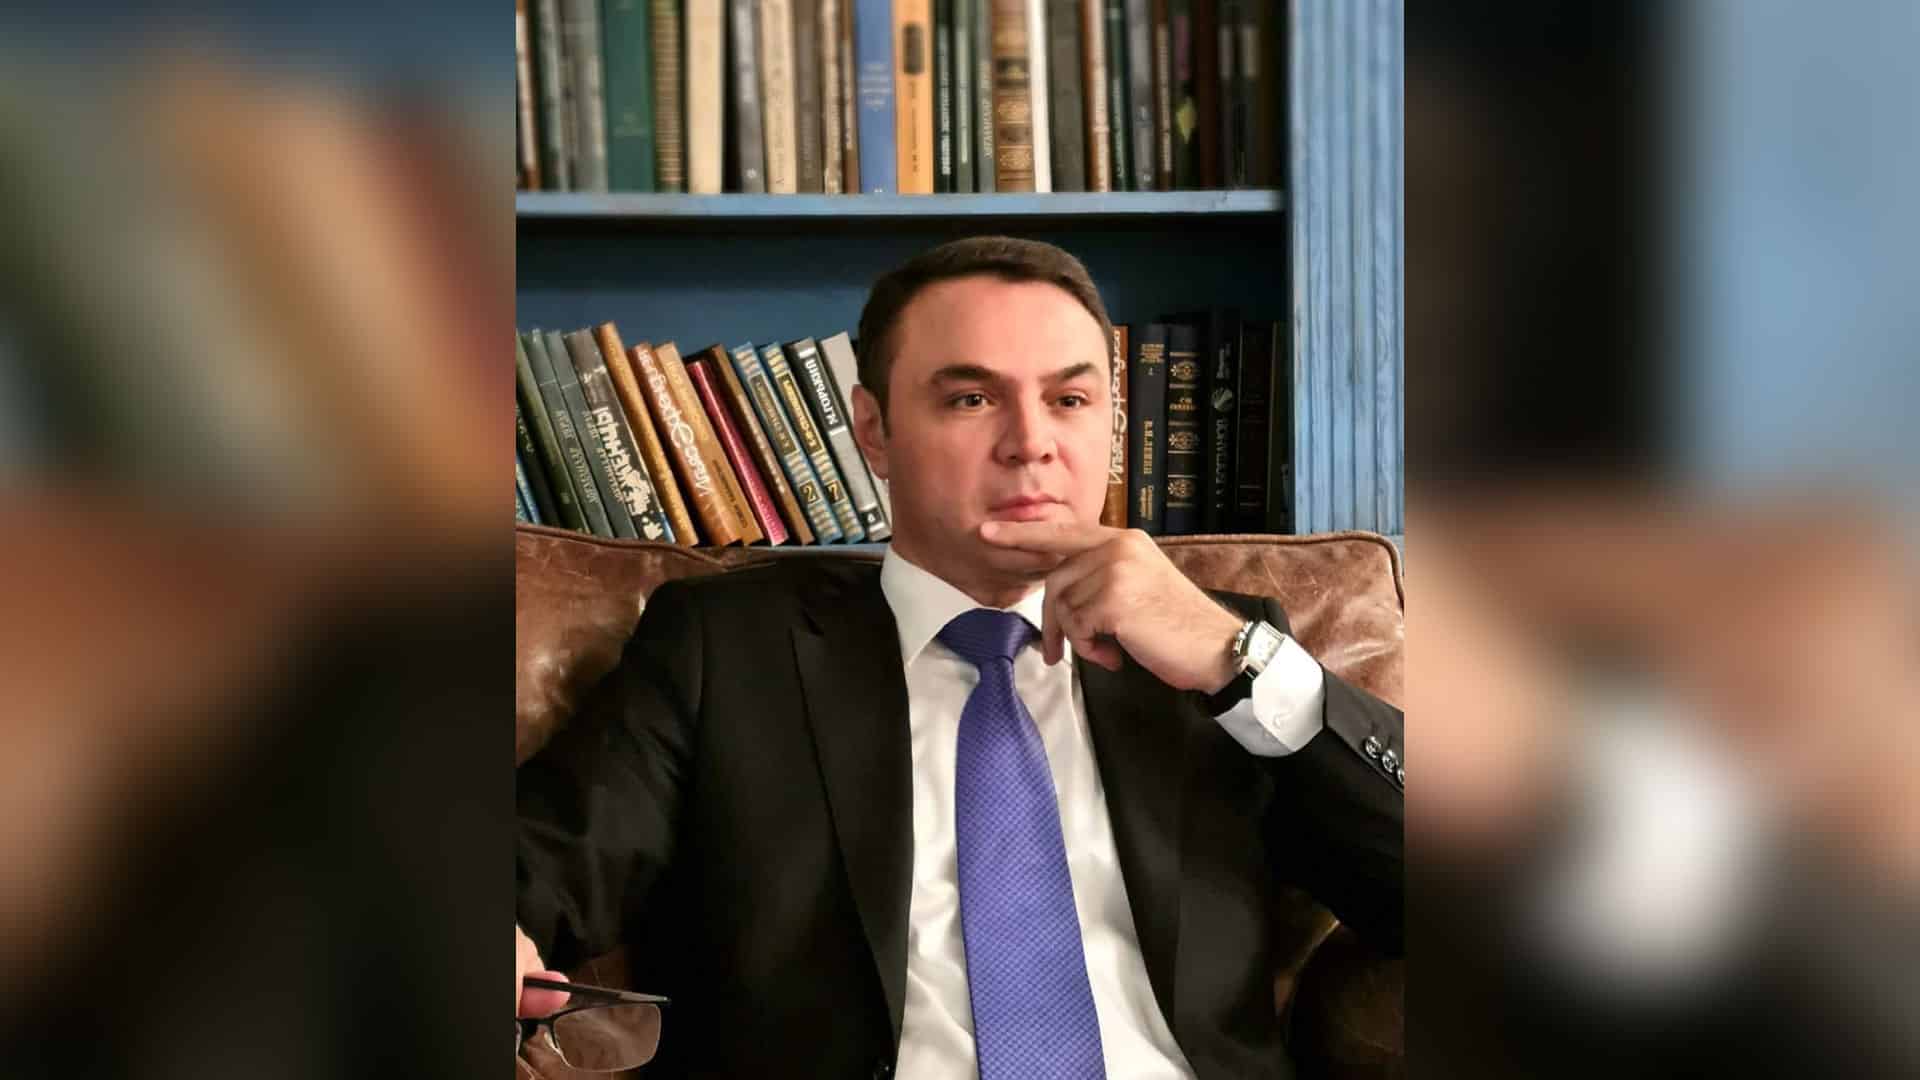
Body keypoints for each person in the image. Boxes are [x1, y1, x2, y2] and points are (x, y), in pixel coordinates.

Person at [515, 236, 1404, 1079]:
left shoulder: (1223, 655)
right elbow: (535, 869)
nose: (1031, 442)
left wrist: (1229, 656)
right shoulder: (727, 649)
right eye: (971, 399)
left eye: (1070, 400)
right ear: (873, 431)